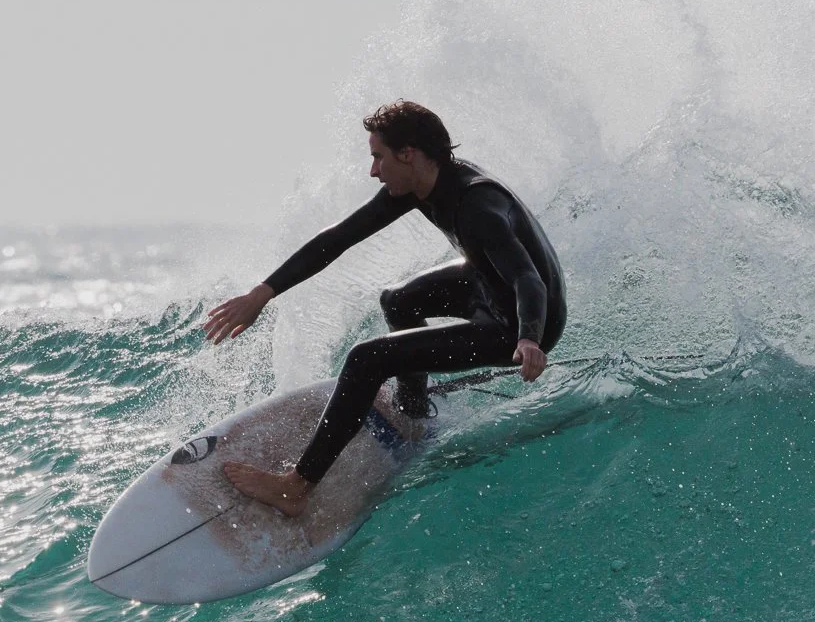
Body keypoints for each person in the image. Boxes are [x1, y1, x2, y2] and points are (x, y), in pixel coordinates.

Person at [202, 100, 565, 517]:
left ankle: (296, 488)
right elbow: (338, 238)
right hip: (488, 285)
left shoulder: (476, 206)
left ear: (408, 154)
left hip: (519, 320)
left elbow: (527, 278)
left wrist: (530, 338)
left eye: (378, 157)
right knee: (399, 299)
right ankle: (414, 413)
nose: (373, 170)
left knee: (367, 359)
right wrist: (262, 293)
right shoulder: (422, 182)